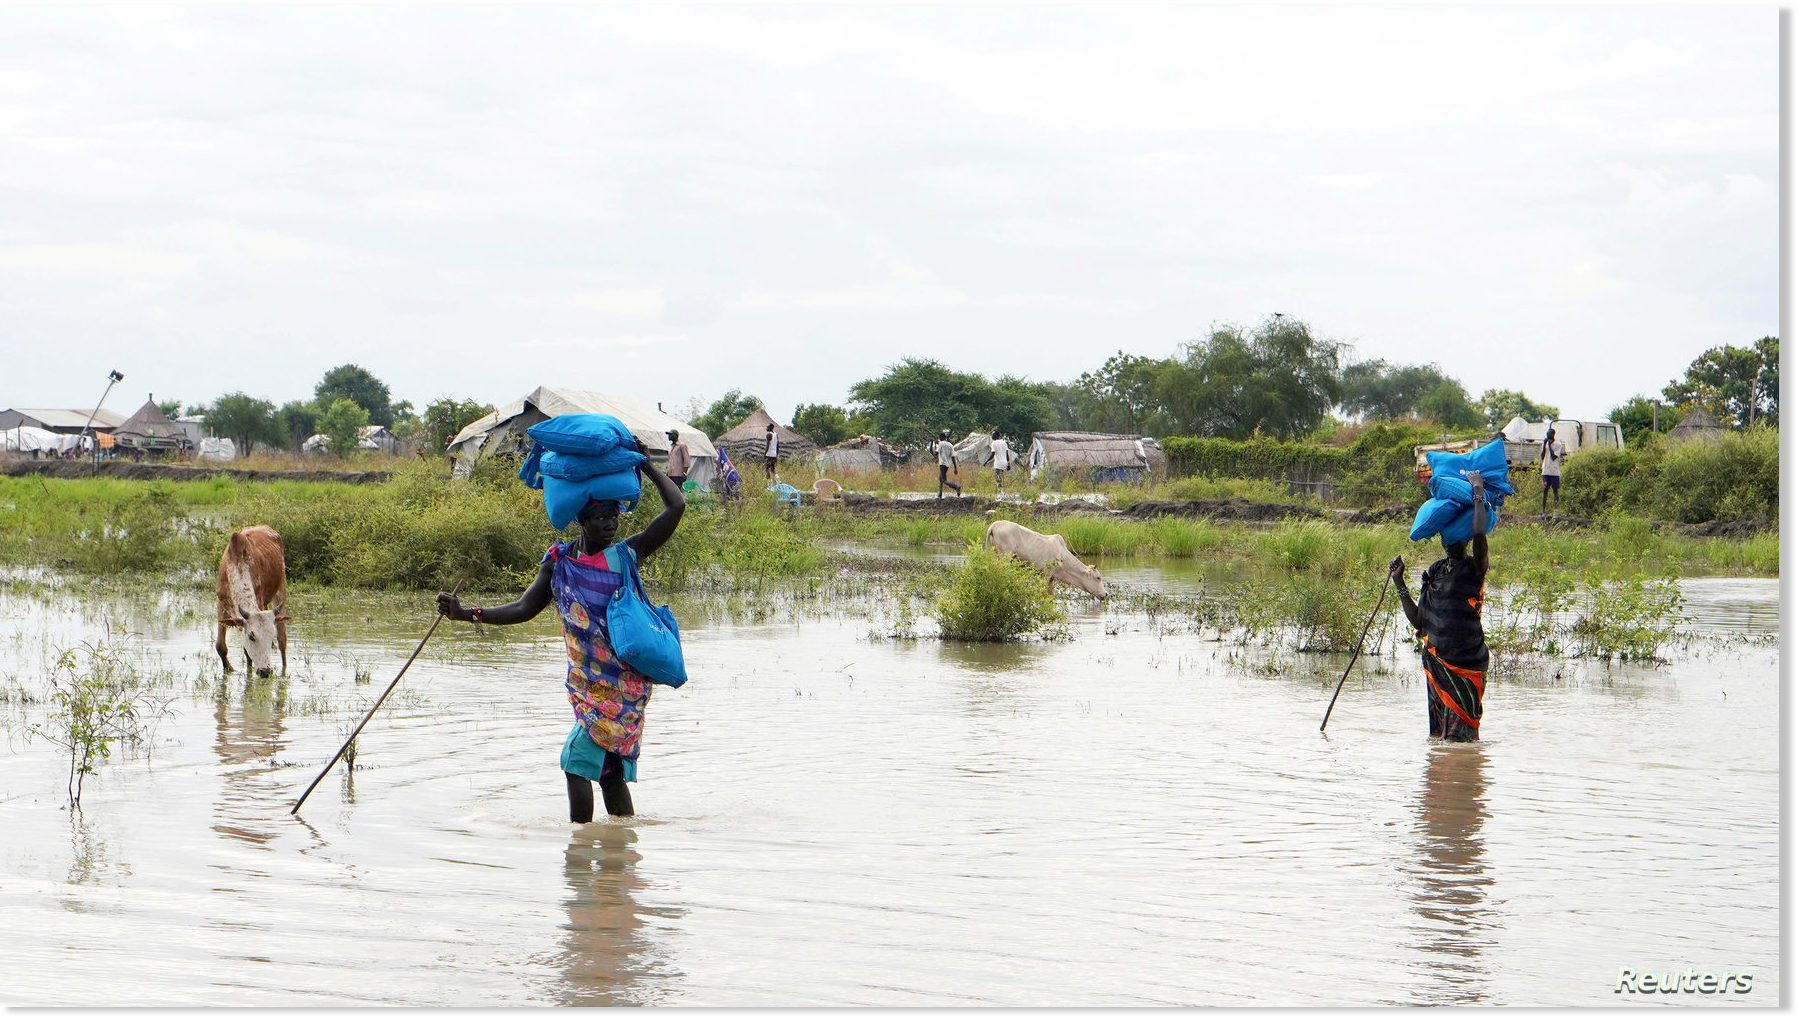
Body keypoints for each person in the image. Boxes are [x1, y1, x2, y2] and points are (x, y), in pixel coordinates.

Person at [436, 443, 686, 821]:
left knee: (574, 762)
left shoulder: (625, 556)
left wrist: (648, 467)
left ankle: (581, 844)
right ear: (581, 519)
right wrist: (466, 614)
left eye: (614, 517)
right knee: (610, 776)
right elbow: (523, 608)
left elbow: (676, 506)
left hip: (624, 686)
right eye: (601, 517)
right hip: (589, 685)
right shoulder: (559, 562)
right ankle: (621, 858)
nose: (610, 524)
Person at [1389, 469, 1489, 742]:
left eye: (1456, 537)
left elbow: (1480, 533)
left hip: (1465, 666)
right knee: (1439, 741)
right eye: (1446, 537)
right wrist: (1400, 583)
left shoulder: (1474, 568)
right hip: (1436, 665)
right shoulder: (1435, 571)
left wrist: (1477, 490)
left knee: (1461, 743)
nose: (1449, 542)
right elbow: (1420, 621)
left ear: (1466, 539)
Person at [1538, 428, 1566, 517]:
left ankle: (1556, 512)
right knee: (1545, 490)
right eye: (1547, 434)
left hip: (1554, 472)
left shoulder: (1558, 444)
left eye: (1549, 435)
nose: (1548, 436)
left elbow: (1554, 457)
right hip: (1545, 471)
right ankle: (1543, 511)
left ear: (1553, 435)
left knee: (1555, 491)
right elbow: (1542, 456)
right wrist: (1544, 446)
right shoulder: (1545, 444)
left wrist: (1549, 446)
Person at [934, 430, 961, 498]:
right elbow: (953, 456)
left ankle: (956, 486)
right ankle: (939, 494)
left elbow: (936, 453)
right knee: (941, 478)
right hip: (948, 464)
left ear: (940, 438)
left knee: (943, 480)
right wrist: (955, 467)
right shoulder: (950, 445)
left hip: (942, 463)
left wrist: (934, 446)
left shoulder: (940, 444)